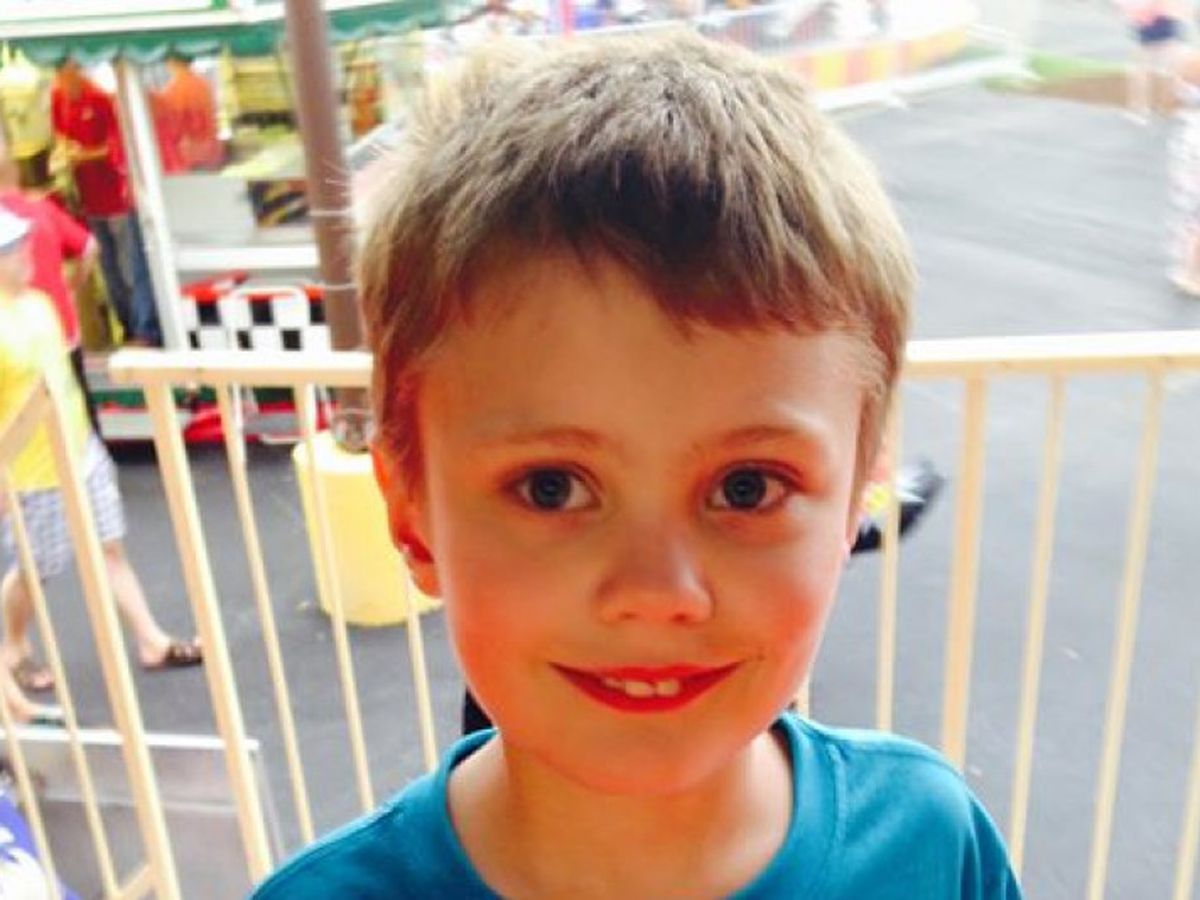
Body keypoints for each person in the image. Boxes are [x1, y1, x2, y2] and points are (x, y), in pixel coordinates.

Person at [254, 33, 1021, 898]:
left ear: (856, 504)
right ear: (411, 516)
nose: (657, 592)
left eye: (747, 488)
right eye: (551, 488)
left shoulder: (933, 845)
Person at [0, 209, 202, 701]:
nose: (24, 252)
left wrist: (88, 438)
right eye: (11, 249)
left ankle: (151, 640)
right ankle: (13, 646)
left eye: (21, 242)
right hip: (31, 471)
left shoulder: (39, 305)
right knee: (37, 567)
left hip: (78, 447)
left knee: (109, 545)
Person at [50, 59, 161, 347]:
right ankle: (127, 326)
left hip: (117, 197)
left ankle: (144, 329)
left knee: (130, 268)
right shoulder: (58, 98)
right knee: (110, 270)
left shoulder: (99, 99)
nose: (63, 81)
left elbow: (115, 148)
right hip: (91, 200)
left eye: (67, 73)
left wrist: (80, 155)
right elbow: (61, 136)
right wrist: (64, 153)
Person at [0, 149, 102, 433]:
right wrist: (73, 287)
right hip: (61, 326)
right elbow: (89, 247)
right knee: (77, 402)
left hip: (18, 346)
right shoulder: (42, 209)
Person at [1116, 0, 1190, 121]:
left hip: (1157, 31)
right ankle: (1158, 107)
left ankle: (1142, 108)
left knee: (1142, 71)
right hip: (1160, 30)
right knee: (1166, 69)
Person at [152, 53, 223, 173]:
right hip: (211, 151)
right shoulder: (203, 83)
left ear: (171, 62)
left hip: (190, 155)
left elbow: (175, 126)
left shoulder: (175, 89)